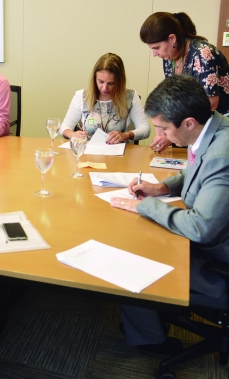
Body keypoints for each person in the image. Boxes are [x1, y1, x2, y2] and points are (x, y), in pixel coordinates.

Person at [110, 75, 229, 354]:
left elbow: (201, 228)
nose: (160, 137)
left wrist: (145, 206)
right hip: (212, 239)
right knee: (138, 237)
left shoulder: (223, 155)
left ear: (188, 122)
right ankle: (148, 320)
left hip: (216, 258)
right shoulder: (214, 126)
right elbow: (195, 170)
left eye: (163, 129)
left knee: (129, 256)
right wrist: (162, 187)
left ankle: (150, 341)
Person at [140, 12, 229, 152]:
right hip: (196, 127)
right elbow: (174, 99)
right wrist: (164, 127)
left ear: (172, 39)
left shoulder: (203, 53)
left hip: (219, 129)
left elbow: (210, 103)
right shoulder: (170, 59)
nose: (154, 54)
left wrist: (172, 134)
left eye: (156, 48)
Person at [60, 53, 150, 144]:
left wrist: (126, 135)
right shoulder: (81, 96)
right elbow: (64, 127)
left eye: (111, 83)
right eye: (101, 82)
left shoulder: (129, 97)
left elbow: (145, 129)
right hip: (88, 153)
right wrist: (72, 134)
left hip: (118, 155)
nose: (104, 88)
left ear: (120, 82)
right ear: (95, 78)